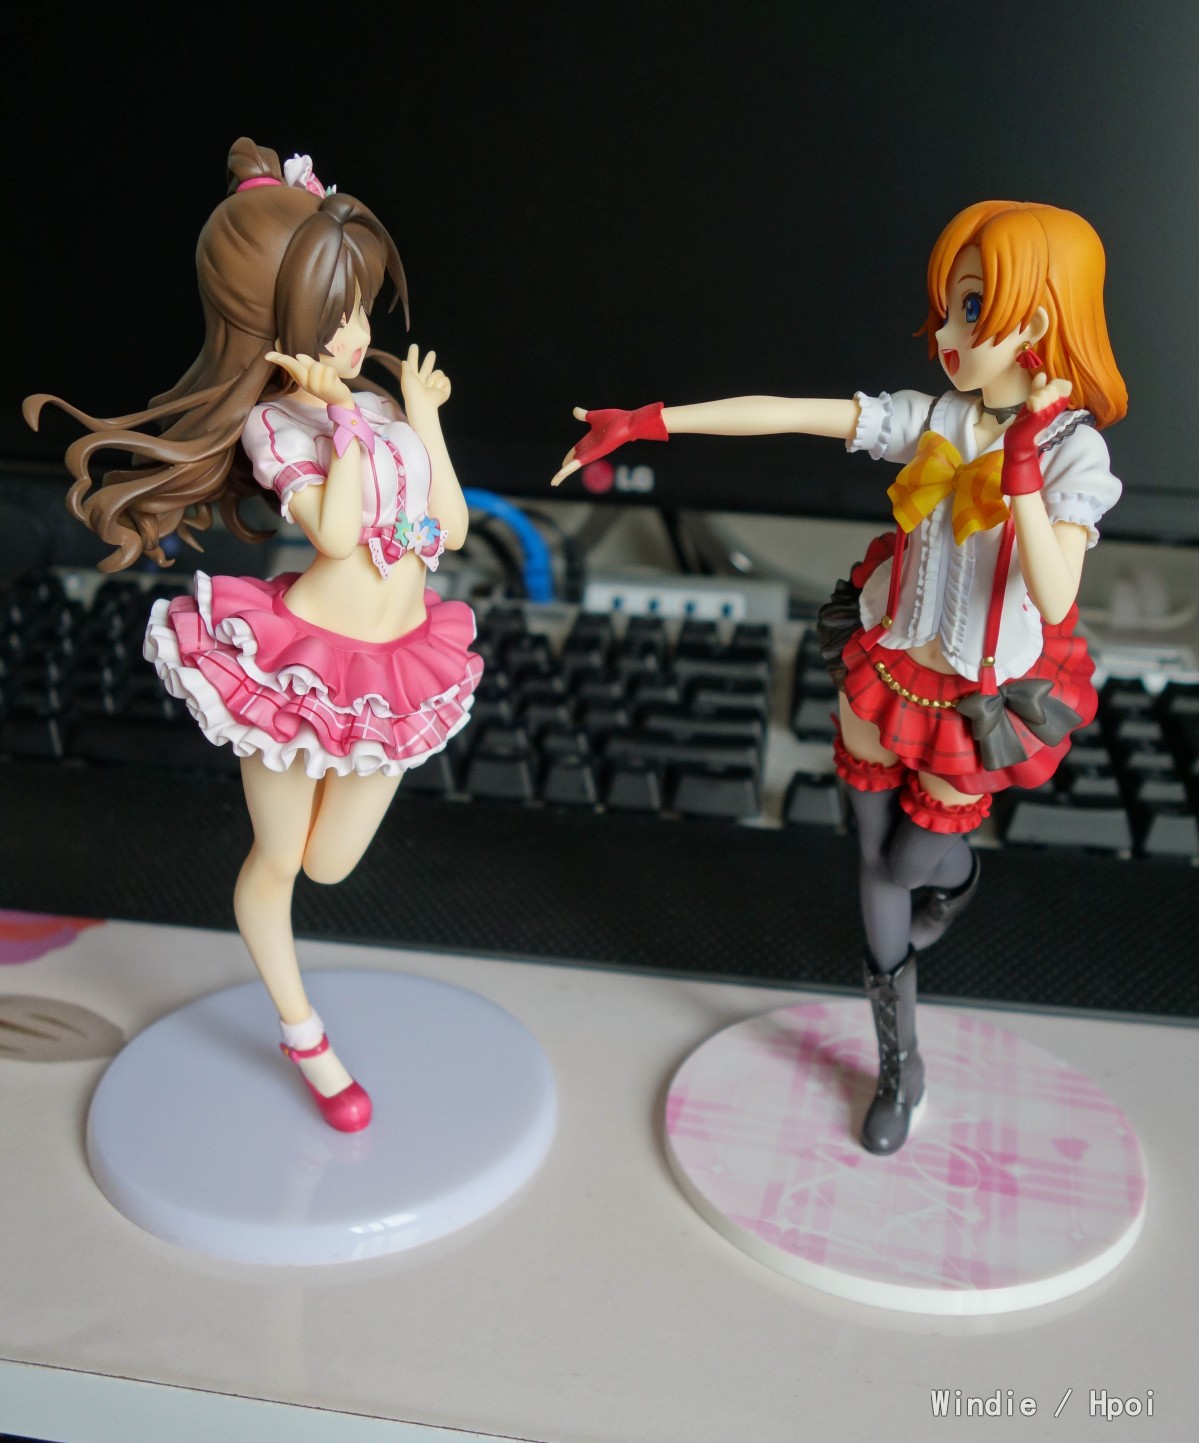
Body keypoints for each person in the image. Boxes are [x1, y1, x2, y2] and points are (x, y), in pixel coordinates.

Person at [553, 200, 1126, 1155]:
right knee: (871, 861)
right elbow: (793, 412)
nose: (945, 335)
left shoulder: (1073, 451)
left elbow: (1056, 588)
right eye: (947, 308)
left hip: (978, 699)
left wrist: (1021, 467)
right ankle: (900, 1064)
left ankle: (957, 880)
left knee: (909, 863)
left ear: (1035, 317)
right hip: (887, 663)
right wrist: (649, 422)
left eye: (969, 308)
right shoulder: (935, 417)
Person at [25, 138, 480, 1133]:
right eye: (332, 316)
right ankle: (302, 1032)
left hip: (397, 665)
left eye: (359, 309)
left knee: (331, 865)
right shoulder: (275, 429)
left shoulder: (379, 403)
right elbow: (331, 533)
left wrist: (420, 417)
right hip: (295, 668)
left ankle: (300, 1015)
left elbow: (447, 527)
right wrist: (345, 424)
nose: (355, 334)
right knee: (279, 860)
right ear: (274, 326)